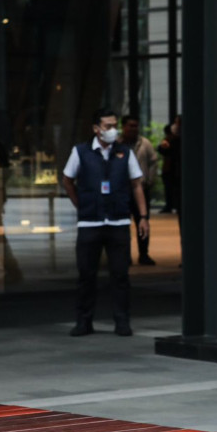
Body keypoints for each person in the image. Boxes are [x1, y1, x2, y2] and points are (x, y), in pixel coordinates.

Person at [61, 108, 149, 337]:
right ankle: (83, 321)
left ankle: (122, 321)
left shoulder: (124, 153)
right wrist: (80, 204)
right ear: (96, 128)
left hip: (118, 221)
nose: (113, 130)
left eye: (114, 125)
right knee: (86, 275)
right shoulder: (81, 152)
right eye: (108, 126)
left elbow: (137, 184)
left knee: (120, 275)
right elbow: (67, 180)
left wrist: (143, 216)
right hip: (90, 223)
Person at [120, 115, 159, 266]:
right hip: (122, 190)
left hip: (141, 189)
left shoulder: (144, 144)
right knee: (123, 225)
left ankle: (144, 254)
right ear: (123, 127)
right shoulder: (117, 144)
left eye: (136, 125)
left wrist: (149, 180)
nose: (134, 128)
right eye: (131, 125)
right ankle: (125, 255)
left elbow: (153, 162)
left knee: (143, 221)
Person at [157, 115, 182, 221]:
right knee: (169, 189)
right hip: (171, 169)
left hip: (178, 171)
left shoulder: (179, 140)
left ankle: (174, 205)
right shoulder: (170, 138)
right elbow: (163, 150)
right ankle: (170, 205)